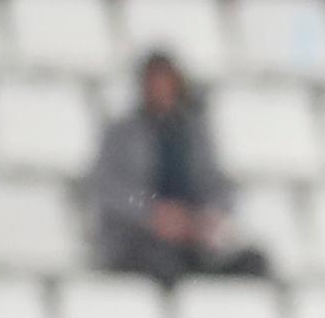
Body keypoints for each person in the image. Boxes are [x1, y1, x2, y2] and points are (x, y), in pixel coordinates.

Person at [84, 54, 271, 287]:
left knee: (253, 263)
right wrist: (152, 213)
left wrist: (205, 218)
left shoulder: (193, 133)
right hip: (139, 239)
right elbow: (109, 188)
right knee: (162, 264)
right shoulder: (121, 134)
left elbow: (217, 183)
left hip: (191, 239)